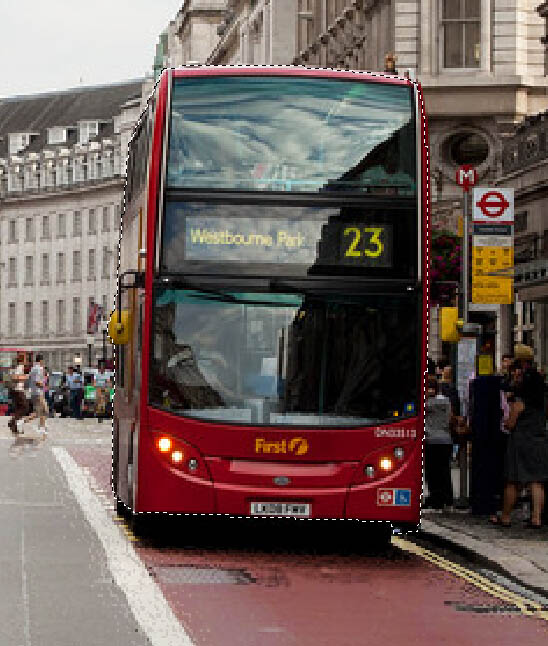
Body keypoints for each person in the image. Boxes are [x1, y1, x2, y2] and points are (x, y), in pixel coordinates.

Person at [492, 345, 548, 528]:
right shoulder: (541, 394)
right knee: (536, 480)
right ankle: (536, 518)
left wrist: (508, 422)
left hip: (521, 438)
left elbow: (512, 419)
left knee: (513, 480)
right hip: (539, 436)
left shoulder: (523, 395)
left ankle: (506, 517)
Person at [424, 374, 455, 511]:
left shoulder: (427, 404)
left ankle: (435, 499)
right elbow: (450, 418)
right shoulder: (446, 401)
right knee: (444, 471)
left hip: (431, 440)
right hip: (445, 439)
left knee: (432, 472)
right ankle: (447, 499)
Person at [21, 354, 49, 439]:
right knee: (44, 411)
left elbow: (28, 378)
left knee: (39, 412)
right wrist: (44, 384)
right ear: (41, 360)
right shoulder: (39, 368)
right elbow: (37, 382)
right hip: (38, 392)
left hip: (34, 392)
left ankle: (40, 428)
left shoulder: (33, 368)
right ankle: (41, 428)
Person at [8, 354, 28, 434]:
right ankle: (12, 422)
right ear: (22, 360)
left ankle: (15, 428)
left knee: (18, 408)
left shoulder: (14, 367)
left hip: (13, 390)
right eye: (25, 359)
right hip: (18, 390)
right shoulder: (20, 367)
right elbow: (14, 377)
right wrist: (25, 377)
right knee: (25, 407)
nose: (26, 361)